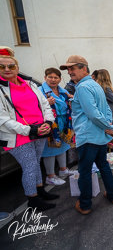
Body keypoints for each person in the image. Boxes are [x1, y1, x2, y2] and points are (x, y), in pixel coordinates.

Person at [60, 55, 113, 214]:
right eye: (68, 69)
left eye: (72, 69)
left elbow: (92, 114)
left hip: (88, 137)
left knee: (85, 171)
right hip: (98, 136)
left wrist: (107, 126)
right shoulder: (96, 85)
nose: (70, 72)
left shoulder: (82, 87)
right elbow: (106, 109)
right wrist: (108, 126)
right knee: (103, 166)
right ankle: (112, 195)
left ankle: (85, 204)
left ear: (84, 68)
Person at [0, 46, 57, 211]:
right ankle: (33, 200)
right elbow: (2, 119)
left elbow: (45, 104)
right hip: (17, 136)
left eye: (10, 66)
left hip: (40, 130)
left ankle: (40, 191)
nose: (6, 69)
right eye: (1, 66)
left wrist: (48, 122)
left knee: (36, 163)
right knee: (30, 166)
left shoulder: (30, 83)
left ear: (17, 67)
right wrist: (30, 131)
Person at [39, 68, 75, 186]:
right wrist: (45, 104)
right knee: (50, 150)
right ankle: (50, 176)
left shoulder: (63, 91)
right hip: (50, 125)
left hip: (64, 123)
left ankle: (63, 170)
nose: (53, 80)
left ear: (60, 79)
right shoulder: (40, 91)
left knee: (63, 146)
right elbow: (33, 107)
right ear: (45, 78)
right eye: (50, 77)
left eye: (56, 77)